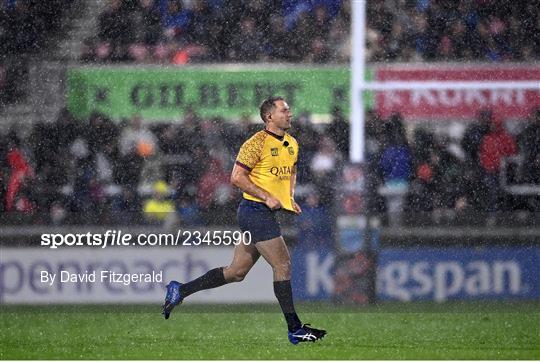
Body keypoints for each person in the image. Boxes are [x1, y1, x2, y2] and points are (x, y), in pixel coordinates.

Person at [162, 96, 327, 344]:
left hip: (263, 212)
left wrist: (288, 197)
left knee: (236, 272)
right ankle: (294, 328)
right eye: (284, 110)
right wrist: (267, 196)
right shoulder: (256, 143)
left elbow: (290, 171)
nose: (289, 114)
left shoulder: (292, 143)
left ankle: (180, 290)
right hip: (254, 211)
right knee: (283, 265)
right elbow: (237, 177)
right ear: (269, 116)